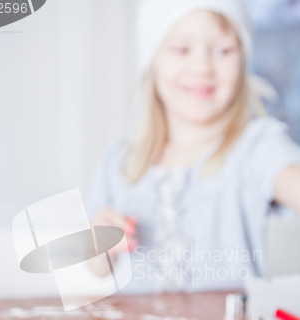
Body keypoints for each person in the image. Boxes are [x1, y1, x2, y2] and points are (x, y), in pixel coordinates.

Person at [85, 0, 300, 294]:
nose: (202, 67)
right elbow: (94, 270)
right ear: (153, 59)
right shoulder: (118, 163)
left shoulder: (255, 148)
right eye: (181, 49)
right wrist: (99, 244)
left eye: (222, 50)